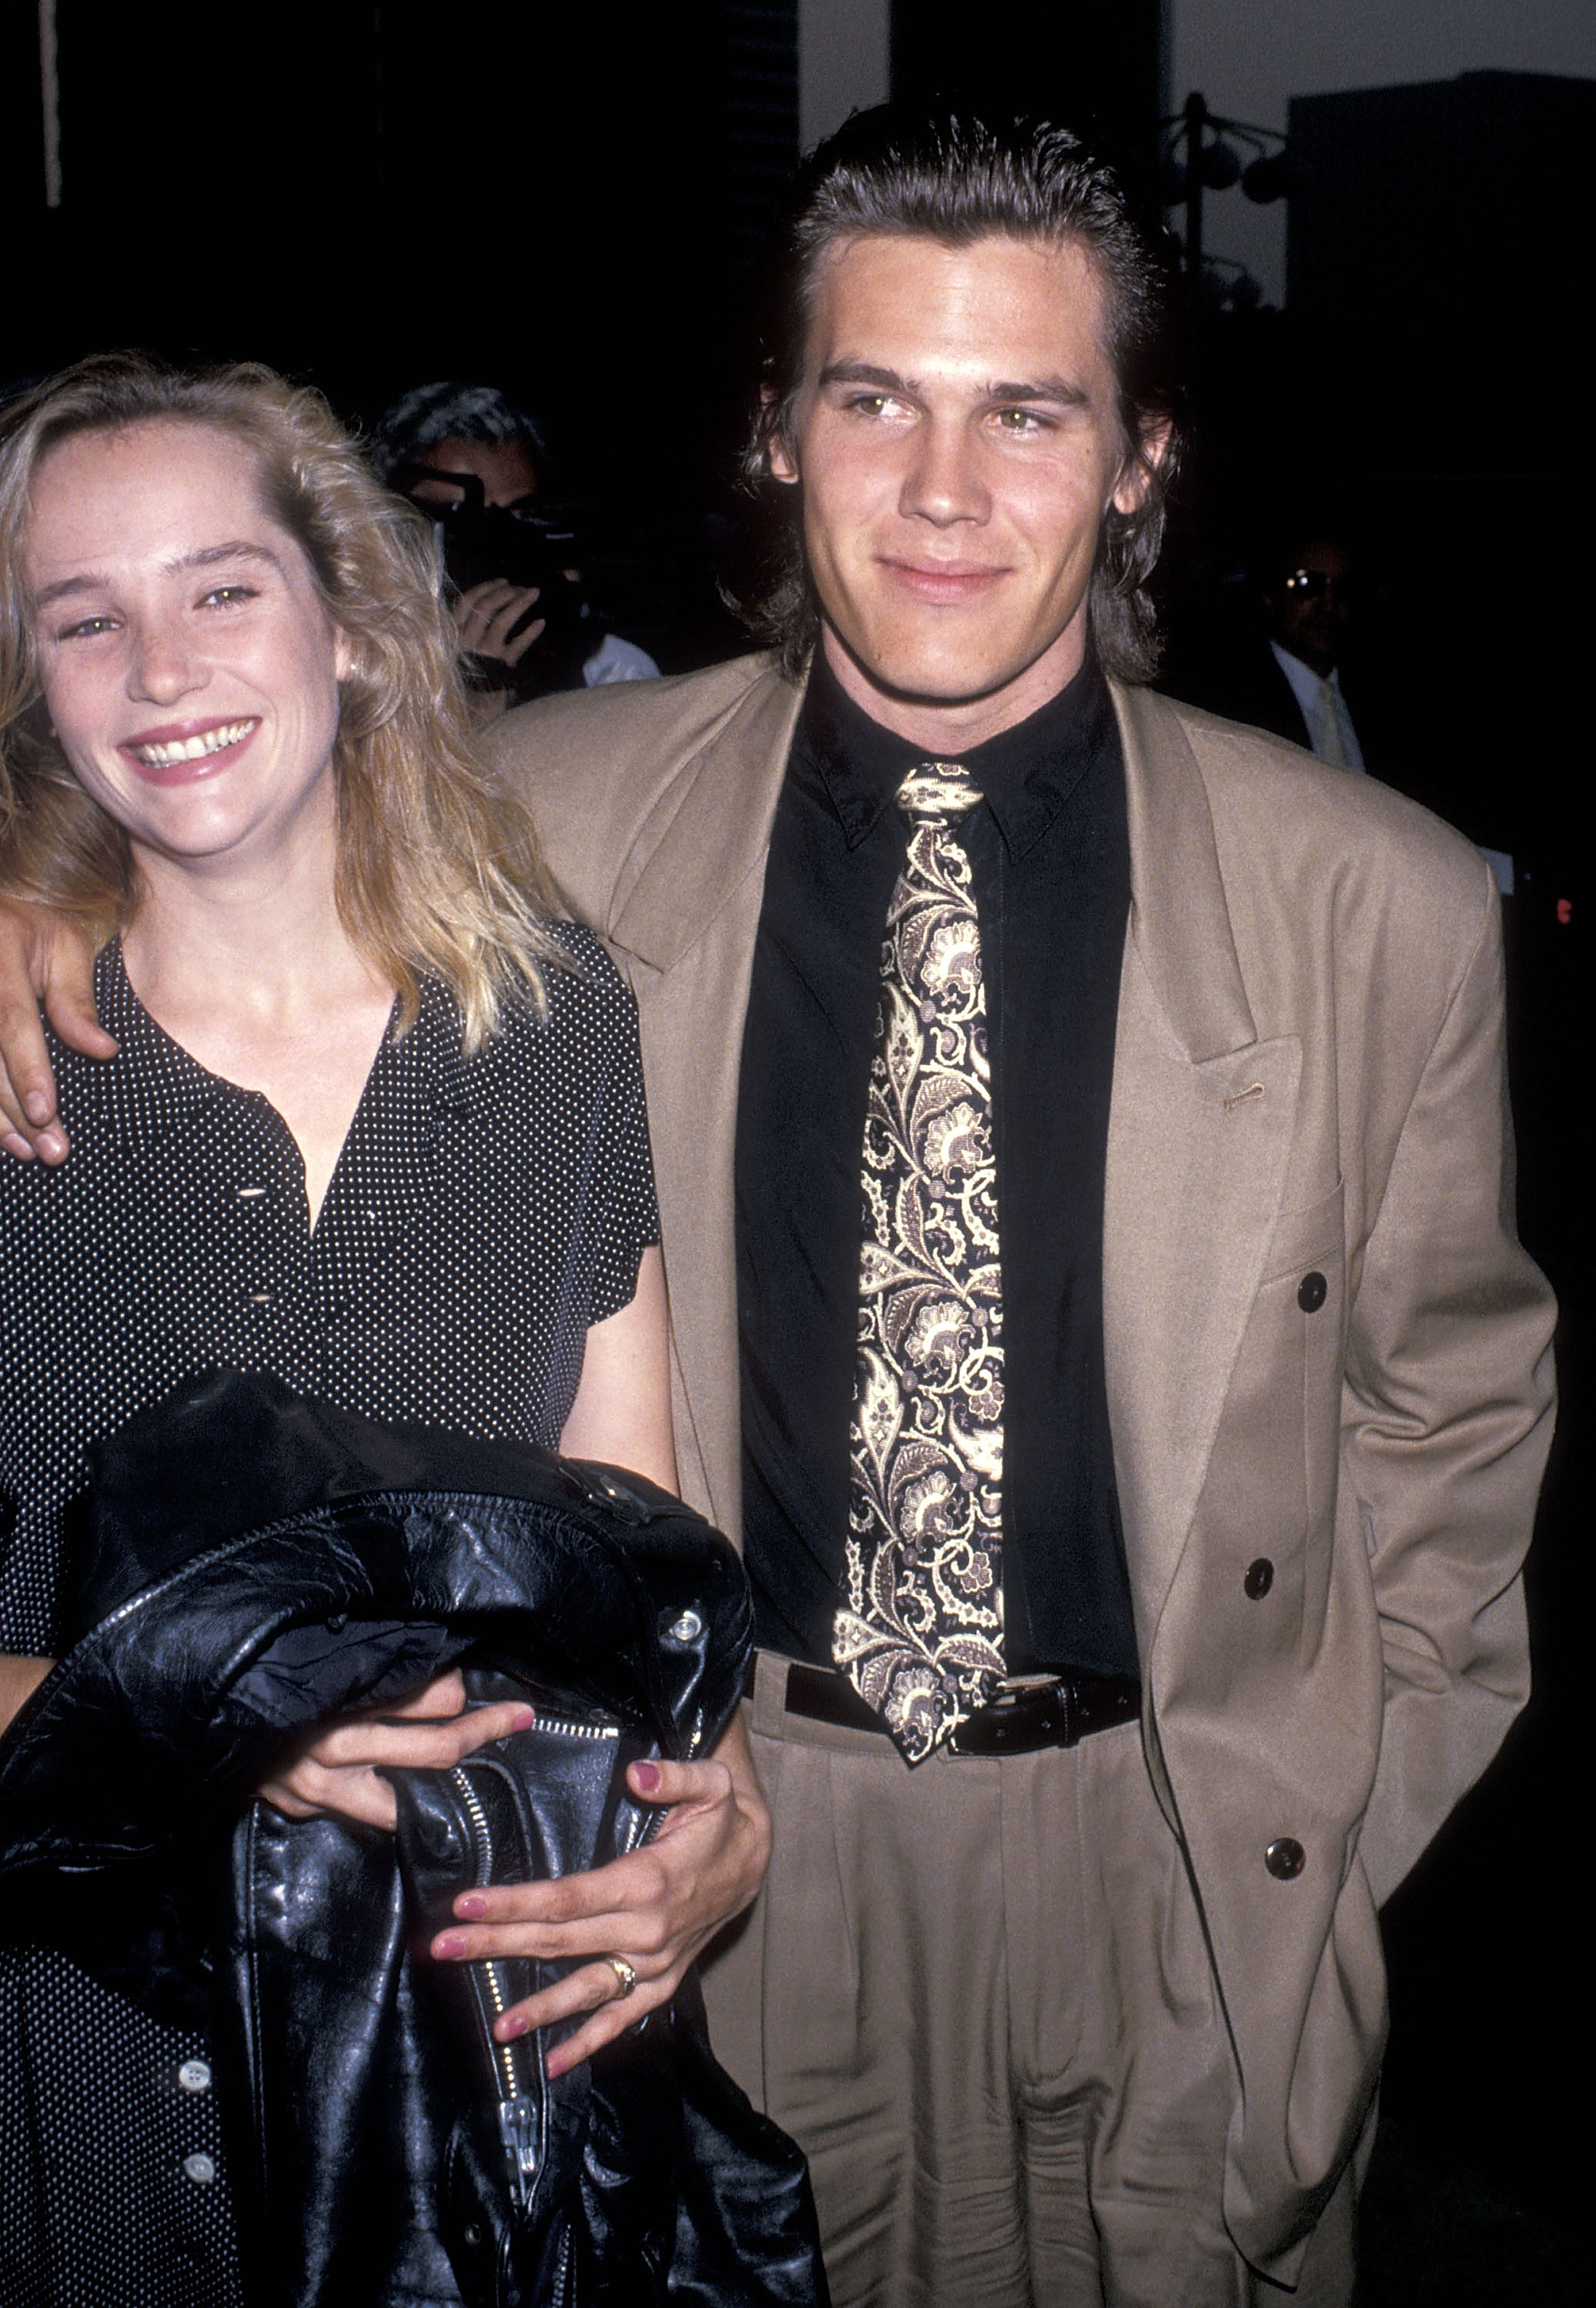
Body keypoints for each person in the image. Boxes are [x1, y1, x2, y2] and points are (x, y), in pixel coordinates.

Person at [0, 110, 1557, 2306]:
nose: (942, 493)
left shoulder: (1371, 901)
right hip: (724, 1851)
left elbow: (1452, 1428)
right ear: (777, 431)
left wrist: (1316, 1844)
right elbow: (190, 794)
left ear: (1136, 461)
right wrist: (26, 904)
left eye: (1026, 412)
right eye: (874, 400)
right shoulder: (538, 811)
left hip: (1177, 1866)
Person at [0, 355, 768, 2306]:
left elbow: (632, 1550)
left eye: (220, 588)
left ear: (346, 622)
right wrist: (196, 1714)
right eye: (83, 618)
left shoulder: (548, 1028)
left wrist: (711, 1821)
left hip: (449, 2107)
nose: (158, 665)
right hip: (62, 2082)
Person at [370, 380, 659, 699]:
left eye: (517, 519)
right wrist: (470, 705)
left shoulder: (615, 670)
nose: (495, 545)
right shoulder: (354, 668)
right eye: (463, 524)